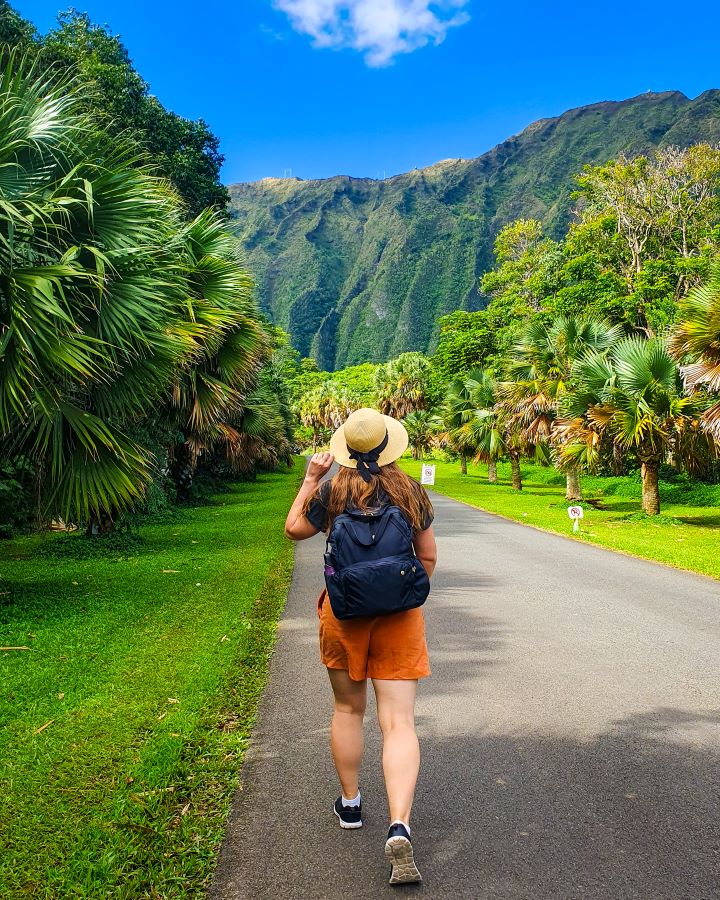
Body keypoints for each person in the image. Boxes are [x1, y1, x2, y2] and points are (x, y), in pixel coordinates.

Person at [285, 407, 437, 885]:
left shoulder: (332, 491)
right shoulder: (410, 490)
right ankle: (400, 825)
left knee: (349, 711)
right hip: (400, 619)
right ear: (389, 446)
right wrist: (401, 596)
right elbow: (428, 556)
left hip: (343, 615)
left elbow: (294, 529)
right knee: (399, 722)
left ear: (344, 448)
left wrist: (310, 478)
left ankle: (350, 806)